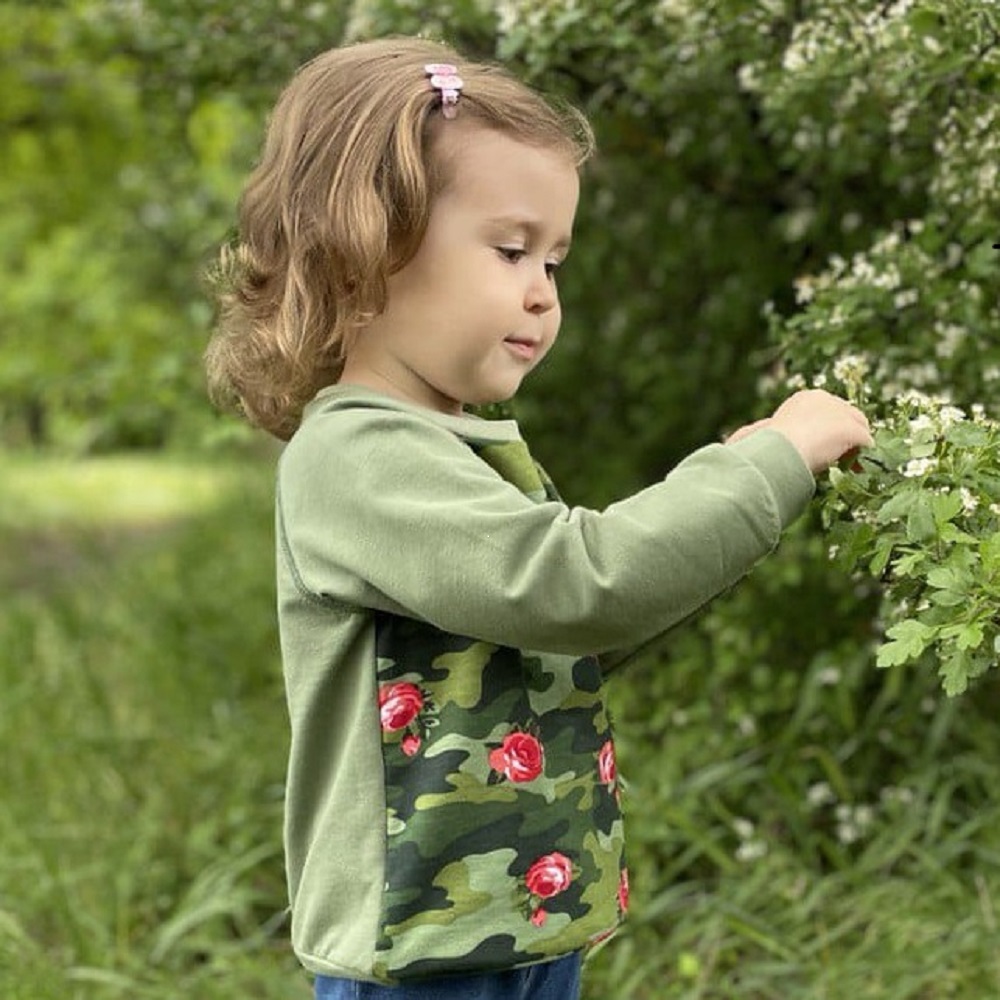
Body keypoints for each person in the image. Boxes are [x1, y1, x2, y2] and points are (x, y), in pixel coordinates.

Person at [205, 36, 872, 1000]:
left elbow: (565, 641)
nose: (542, 292)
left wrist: (735, 485)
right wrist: (767, 464)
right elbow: (578, 586)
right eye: (512, 249)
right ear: (363, 247)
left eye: (554, 261)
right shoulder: (358, 456)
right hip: (420, 948)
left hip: (515, 922)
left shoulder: (451, 445)